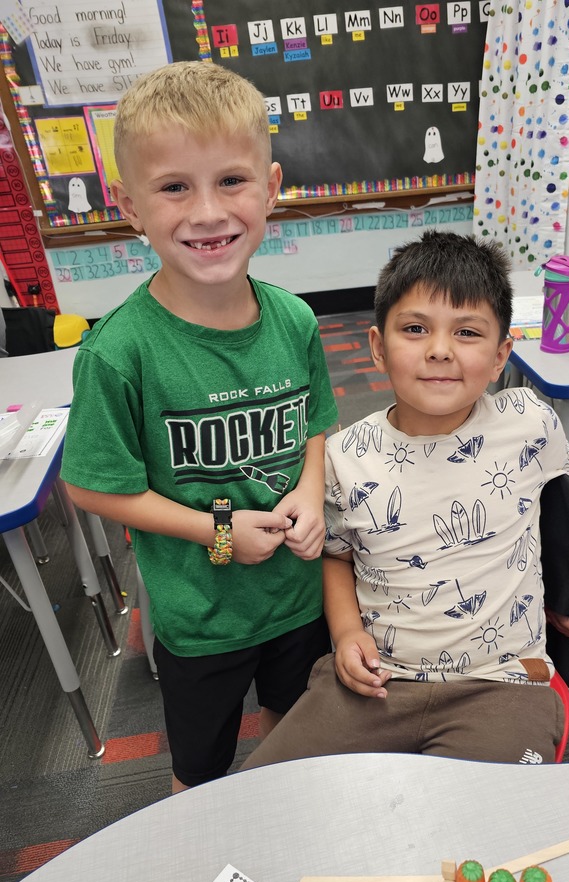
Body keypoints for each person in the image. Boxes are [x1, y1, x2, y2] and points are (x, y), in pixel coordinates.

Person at [60, 62, 338, 792]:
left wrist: (311, 491)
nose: (208, 212)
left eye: (232, 181)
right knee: (201, 772)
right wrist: (219, 535)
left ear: (272, 187)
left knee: (292, 731)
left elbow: (315, 422)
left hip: (296, 596)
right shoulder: (119, 354)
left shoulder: (297, 321)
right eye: (175, 186)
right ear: (129, 204)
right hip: (199, 617)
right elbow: (93, 487)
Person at [241, 231, 569, 771]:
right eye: (414, 329)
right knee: (271, 798)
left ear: (502, 354)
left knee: (487, 832)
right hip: (378, 682)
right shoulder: (345, 456)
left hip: (502, 683)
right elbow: (336, 555)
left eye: (467, 332)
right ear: (378, 348)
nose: (439, 349)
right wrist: (346, 633)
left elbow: (565, 495)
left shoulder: (527, 421)